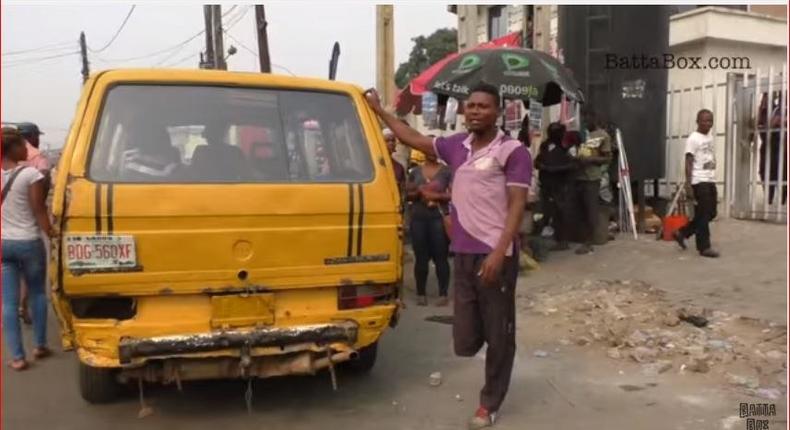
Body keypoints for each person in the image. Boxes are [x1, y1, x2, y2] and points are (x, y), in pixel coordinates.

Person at [366, 83, 531, 430]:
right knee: (465, 341)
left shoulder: (513, 151)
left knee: (500, 333)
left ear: (497, 112)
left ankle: (489, 403)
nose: (474, 111)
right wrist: (380, 111)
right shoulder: (457, 147)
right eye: (470, 106)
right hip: (464, 252)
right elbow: (412, 138)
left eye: (483, 106)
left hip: (495, 253)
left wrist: (501, 252)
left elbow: (517, 204)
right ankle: (494, 338)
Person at [2, 127, 55, 371]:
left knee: (9, 303)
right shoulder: (30, 174)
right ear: (12, 148)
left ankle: (17, 357)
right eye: (22, 145)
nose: (27, 149)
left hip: (3, 245)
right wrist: (53, 235)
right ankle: (40, 345)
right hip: (29, 242)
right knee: (37, 294)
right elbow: (38, 210)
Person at [405, 151, 452, 306]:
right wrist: (419, 192)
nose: (431, 154)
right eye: (428, 151)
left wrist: (436, 196)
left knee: (441, 257)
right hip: (418, 218)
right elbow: (407, 194)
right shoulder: (415, 171)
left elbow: (453, 194)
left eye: (434, 151)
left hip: (438, 218)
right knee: (421, 258)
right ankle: (421, 293)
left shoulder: (446, 171)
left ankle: (443, 294)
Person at [673, 109, 720, 258]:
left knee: (711, 213)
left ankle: (682, 232)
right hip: (699, 180)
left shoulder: (709, 136)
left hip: (710, 178)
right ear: (697, 121)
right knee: (704, 214)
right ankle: (704, 247)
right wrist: (688, 185)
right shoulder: (693, 139)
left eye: (710, 120)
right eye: (704, 120)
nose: (708, 123)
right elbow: (688, 162)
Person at [17, 122, 51, 326]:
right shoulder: (37, 157)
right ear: (31, 136)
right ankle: (23, 305)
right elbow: (44, 185)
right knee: (31, 270)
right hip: (27, 221)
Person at [572, 112, 612, 255]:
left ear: (594, 119)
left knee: (590, 209)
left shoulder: (603, 136)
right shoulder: (583, 135)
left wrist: (591, 161)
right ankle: (583, 238)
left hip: (592, 177)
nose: (584, 121)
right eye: (583, 118)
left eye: (587, 118)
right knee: (581, 209)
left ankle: (589, 242)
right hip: (579, 176)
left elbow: (607, 158)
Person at [534, 122, 574, 250]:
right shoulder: (545, 146)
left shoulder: (566, 147)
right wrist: (542, 166)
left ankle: (563, 240)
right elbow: (537, 161)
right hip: (546, 184)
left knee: (561, 212)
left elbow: (572, 165)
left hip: (561, 185)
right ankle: (540, 239)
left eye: (557, 132)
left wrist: (554, 169)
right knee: (544, 211)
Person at [758, 92, 787, 206]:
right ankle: (769, 200)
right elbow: (759, 124)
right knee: (765, 172)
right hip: (768, 145)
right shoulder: (769, 110)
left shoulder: (781, 110)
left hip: (783, 147)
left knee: (783, 173)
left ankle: (782, 202)